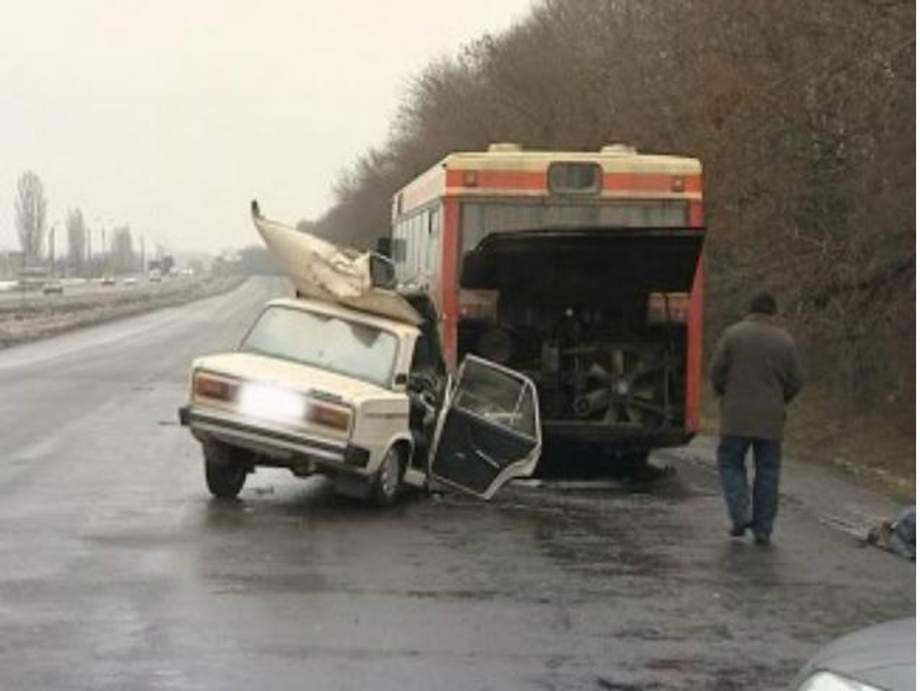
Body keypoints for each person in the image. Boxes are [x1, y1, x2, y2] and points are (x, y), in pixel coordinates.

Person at [709, 292, 804, 545]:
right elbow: (796, 380)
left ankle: (740, 513)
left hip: (736, 416)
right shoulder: (785, 341)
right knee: (768, 471)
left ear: (749, 311)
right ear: (774, 313)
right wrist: (780, 399)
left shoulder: (733, 334)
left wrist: (724, 393)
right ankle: (763, 529)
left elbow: (716, 371)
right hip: (771, 419)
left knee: (729, 463)